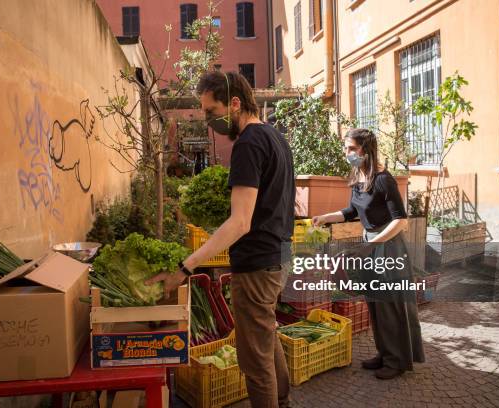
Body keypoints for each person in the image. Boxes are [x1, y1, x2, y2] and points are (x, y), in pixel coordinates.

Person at [146, 71, 294, 407]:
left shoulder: (248, 145)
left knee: (254, 362)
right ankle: (282, 401)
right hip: (279, 255)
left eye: (212, 112)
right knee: (266, 334)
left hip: (257, 265)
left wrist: (186, 267)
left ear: (235, 103)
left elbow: (240, 222)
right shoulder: (276, 138)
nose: (209, 120)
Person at [312, 128, 425, 380]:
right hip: (371, 242)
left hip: (388, 245)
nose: (347, 153)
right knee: (375, 303)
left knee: (391, 305)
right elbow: (352, 211)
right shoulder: (359, 177)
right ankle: (384, 353)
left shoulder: (384, 179)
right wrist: (324, 218)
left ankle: (397, 361)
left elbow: (401, 221)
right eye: (346, 148)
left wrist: (375, 243)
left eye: (351, 148)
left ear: (365, 150)